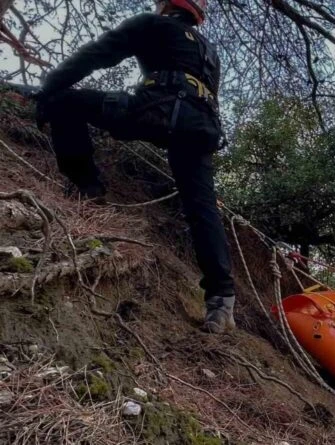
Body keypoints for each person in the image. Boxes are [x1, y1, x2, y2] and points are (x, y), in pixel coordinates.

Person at [35, 0, 236, 334]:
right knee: (202, 209)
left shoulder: (153, 25)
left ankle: (88, 188)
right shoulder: (209, 51)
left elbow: (97, 54)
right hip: (202, 128)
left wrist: (48, 87)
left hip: (155, 111)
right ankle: (222, 301)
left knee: (65, 102)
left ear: (168, 6)